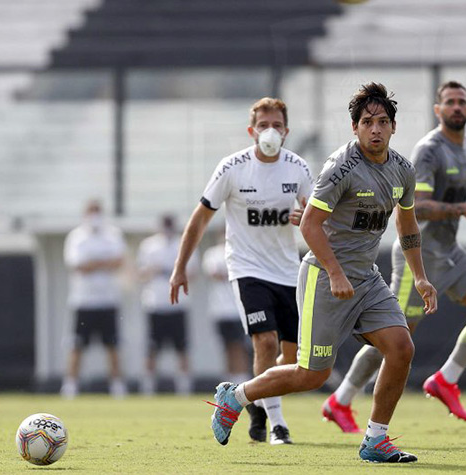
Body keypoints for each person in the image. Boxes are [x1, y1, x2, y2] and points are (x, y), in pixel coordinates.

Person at [187, 82, 439, 464]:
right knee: (311, 375)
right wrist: (336, 273)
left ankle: (375, 440)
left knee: (401, 347)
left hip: (367, 280)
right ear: (354, 128)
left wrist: (419, 276)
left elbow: (407, 227)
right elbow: (309, 226)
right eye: (368, 122)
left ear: (394, 127)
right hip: (324, 277)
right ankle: (234, 397)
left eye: (383, 122)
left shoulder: (402, 170)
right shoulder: (341, 167)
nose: (376, 129)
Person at [322, 80, 466, 432]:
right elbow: (418, 208)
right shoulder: (428, 150)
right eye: (449, 102)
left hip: (449, 251)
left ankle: (446, 378)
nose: (456, 107)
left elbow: (446, 195)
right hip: (419, 255)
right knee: (395, 338)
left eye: (462, 102)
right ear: (437, 110)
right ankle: (341, 399)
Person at [169, 97, 312, 445]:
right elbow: (200, 218)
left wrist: (304, 219)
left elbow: (317, 220)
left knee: (291, 358)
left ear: (287, 131)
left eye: (277, 125)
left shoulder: (298, 168)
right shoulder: (232, 167)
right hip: (246, 268)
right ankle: (277, 423)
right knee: (264, 341)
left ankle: (254, 402)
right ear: (251, 131)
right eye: (263, 125)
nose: (270, 131)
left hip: (288, 271)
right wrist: (180, 266)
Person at [61, 199, 127, 399]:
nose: (95, 215)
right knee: (77, 345)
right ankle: (70, 385)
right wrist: (103, 263)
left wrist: (93, 263)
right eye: (91, 211)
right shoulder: (77, 236)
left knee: (113, 345)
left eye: (97, 210)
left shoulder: (113, 234)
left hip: (108, 300)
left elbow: (119, 261)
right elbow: (77, 265)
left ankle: (116, 385)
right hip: (83, 301)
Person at [137, 215, 198, 396]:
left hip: (178, 304)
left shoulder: (184, 243)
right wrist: (156, 270)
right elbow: (140, 273)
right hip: (155, 304)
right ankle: (148, 387)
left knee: (182, 348)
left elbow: (193, 273)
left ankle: (184, 387)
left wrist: (173, 271)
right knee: (152, 348)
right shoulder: (149, 246)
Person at [203, 240, 252, 385]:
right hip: (220, 310)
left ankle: (242, 380)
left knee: (239, 346)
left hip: (237, 309)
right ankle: (230, 381)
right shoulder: (213, 253)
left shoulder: (241, 252)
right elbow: (213, 273)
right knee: (226, 347)